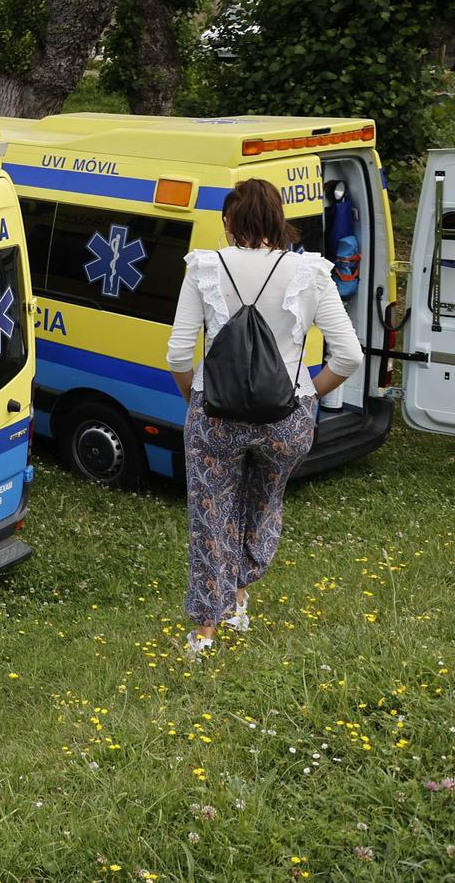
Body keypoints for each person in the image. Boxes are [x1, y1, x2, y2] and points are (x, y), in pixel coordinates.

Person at [165, 178, 363, 660]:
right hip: (286, 419)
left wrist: (196, 398)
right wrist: (308, 397)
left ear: (229, 223)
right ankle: (238, 599)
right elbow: (348, 357)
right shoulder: (311, 273)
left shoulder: (205, 268)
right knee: (264, 500)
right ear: (279, 220)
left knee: (211, 515)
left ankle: (206, 634)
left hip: (216, 415)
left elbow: (177, 354)